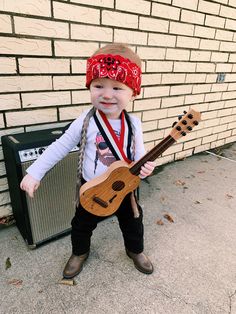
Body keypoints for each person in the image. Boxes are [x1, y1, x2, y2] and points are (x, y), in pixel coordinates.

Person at [20, 43, 156, 278]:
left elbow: (140, 158)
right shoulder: (86, 120)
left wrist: (145, 168)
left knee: (133, 221)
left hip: (122, 189)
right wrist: (35, 172)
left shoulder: (134, 124)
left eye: (117, 87)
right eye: (98, 85)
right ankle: (79, 252)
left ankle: (135, 250)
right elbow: (61, 145)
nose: (106, 94)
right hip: (91, 188)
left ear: (133, 92)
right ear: (89, 87)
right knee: (81, 225)